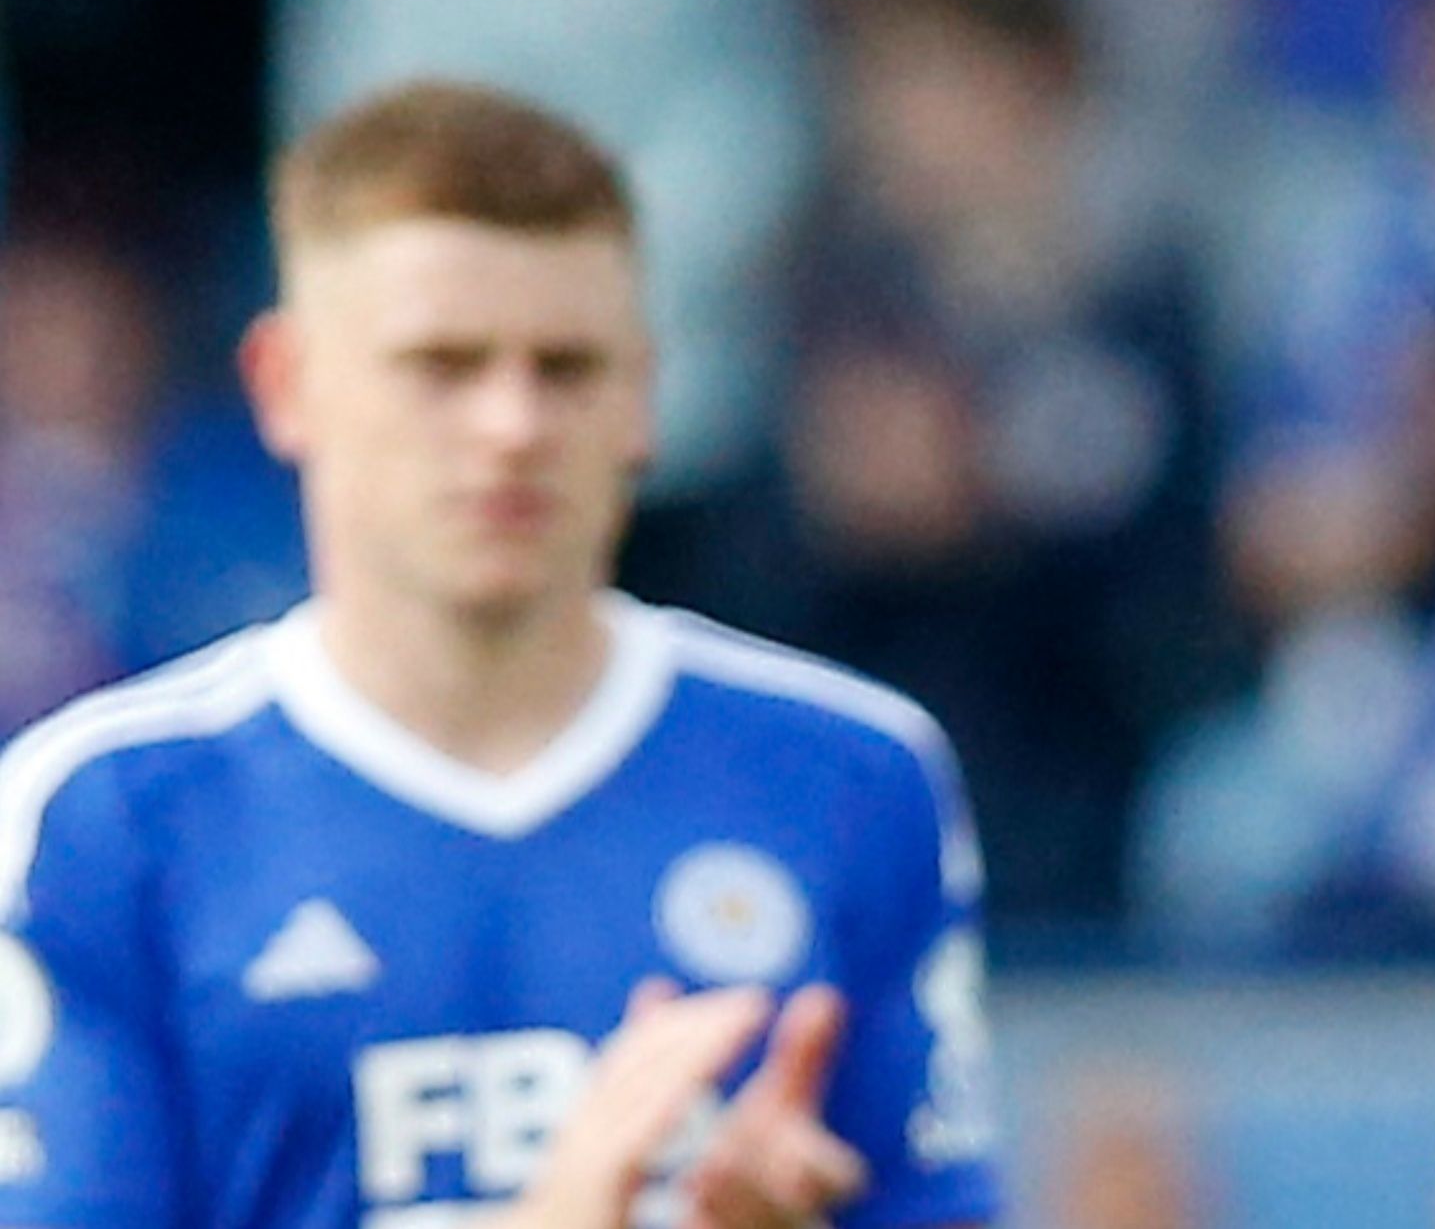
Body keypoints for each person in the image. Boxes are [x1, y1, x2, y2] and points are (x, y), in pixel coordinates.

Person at [0, 81, 1000, 1229]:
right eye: (444, 365)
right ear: (287, 385)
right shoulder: (104, 814)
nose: (512, 425)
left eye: (567, 369)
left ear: (643, 396)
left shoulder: (852, 775)